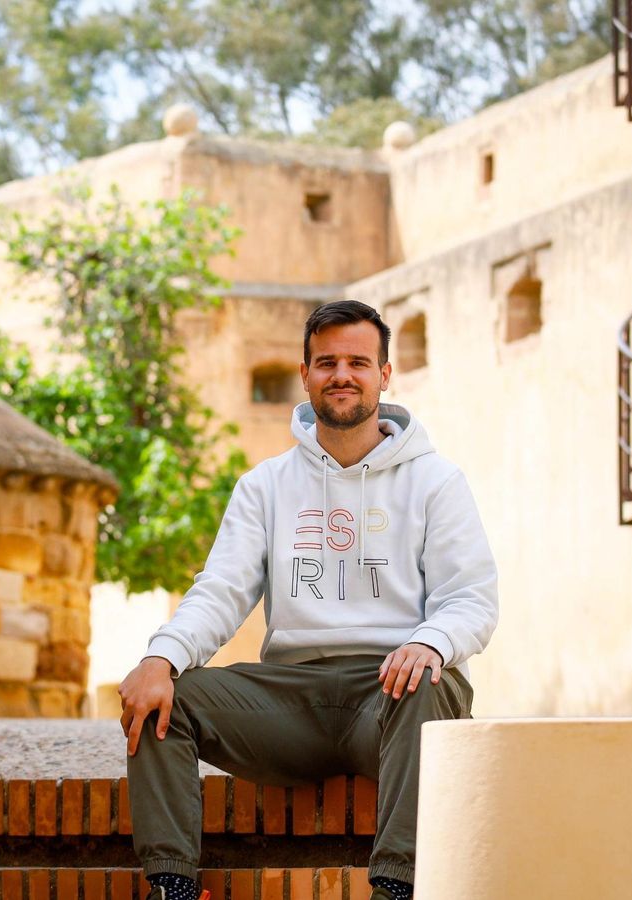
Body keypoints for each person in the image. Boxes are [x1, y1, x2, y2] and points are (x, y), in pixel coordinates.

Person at [117, 300, 499, 900]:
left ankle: (398, 889)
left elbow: (471, 600)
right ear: (305, 374)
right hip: (290, 701)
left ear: (384, 374)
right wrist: (160, 657)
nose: (342, 375)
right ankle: (173, 887)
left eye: (358, 362)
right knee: (166, 697)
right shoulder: (265, 486)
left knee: (428, 681)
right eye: (327, 362)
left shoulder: (436, 481)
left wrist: (430, 642)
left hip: (390, 696)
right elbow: (220, 590)